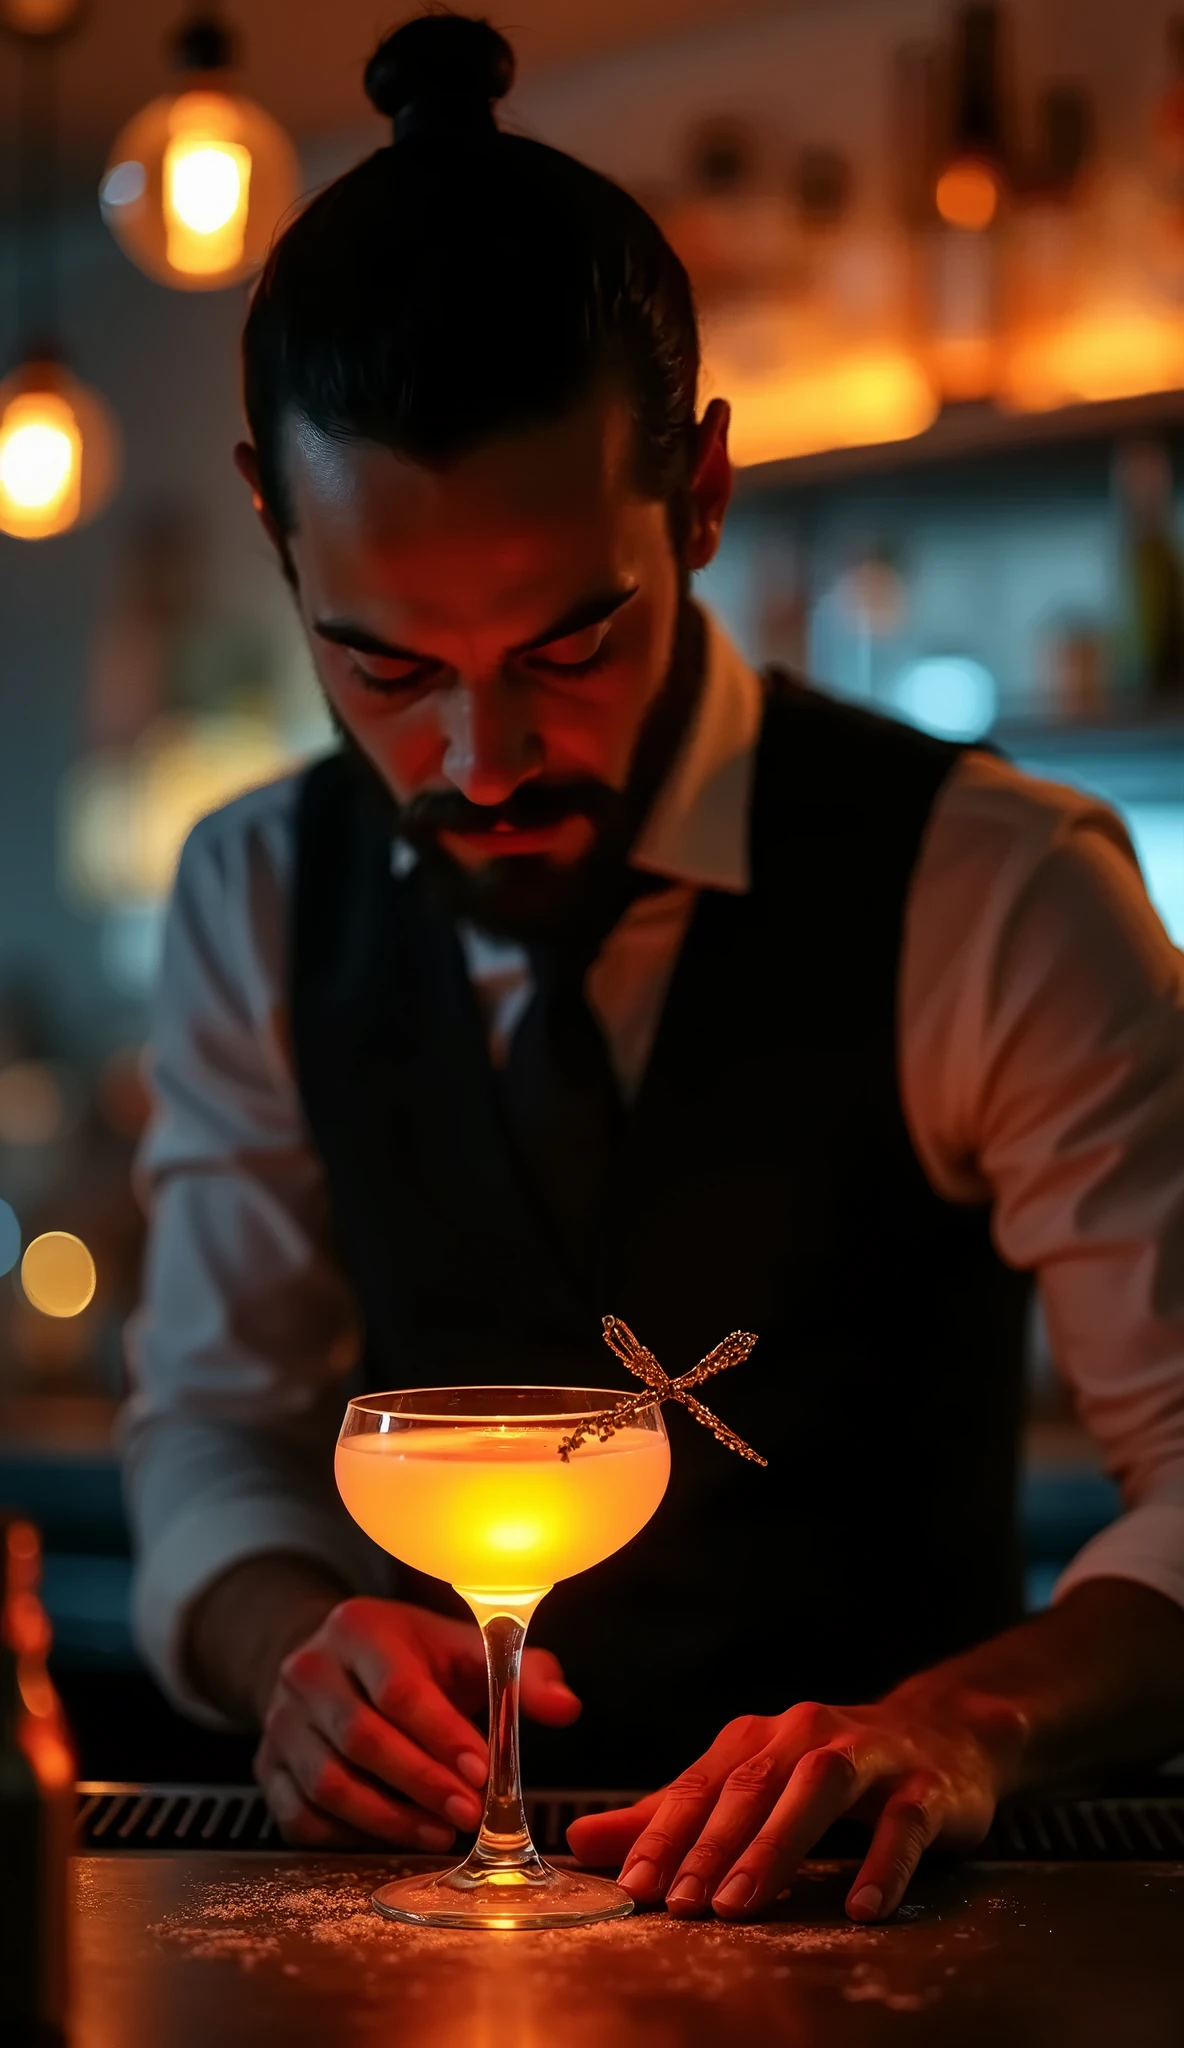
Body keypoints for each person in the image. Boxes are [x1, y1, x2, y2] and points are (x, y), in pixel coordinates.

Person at [123, 14, 1184, 1925]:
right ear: (277, 533)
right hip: (399, 1929)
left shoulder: (993, 891)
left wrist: (967, 1724)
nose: (483, 759)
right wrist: (290, 1642)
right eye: (384, 669)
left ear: (698, 496)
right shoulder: (254, 890)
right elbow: (213, 1423)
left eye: (568, 644)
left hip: (869, 1929)